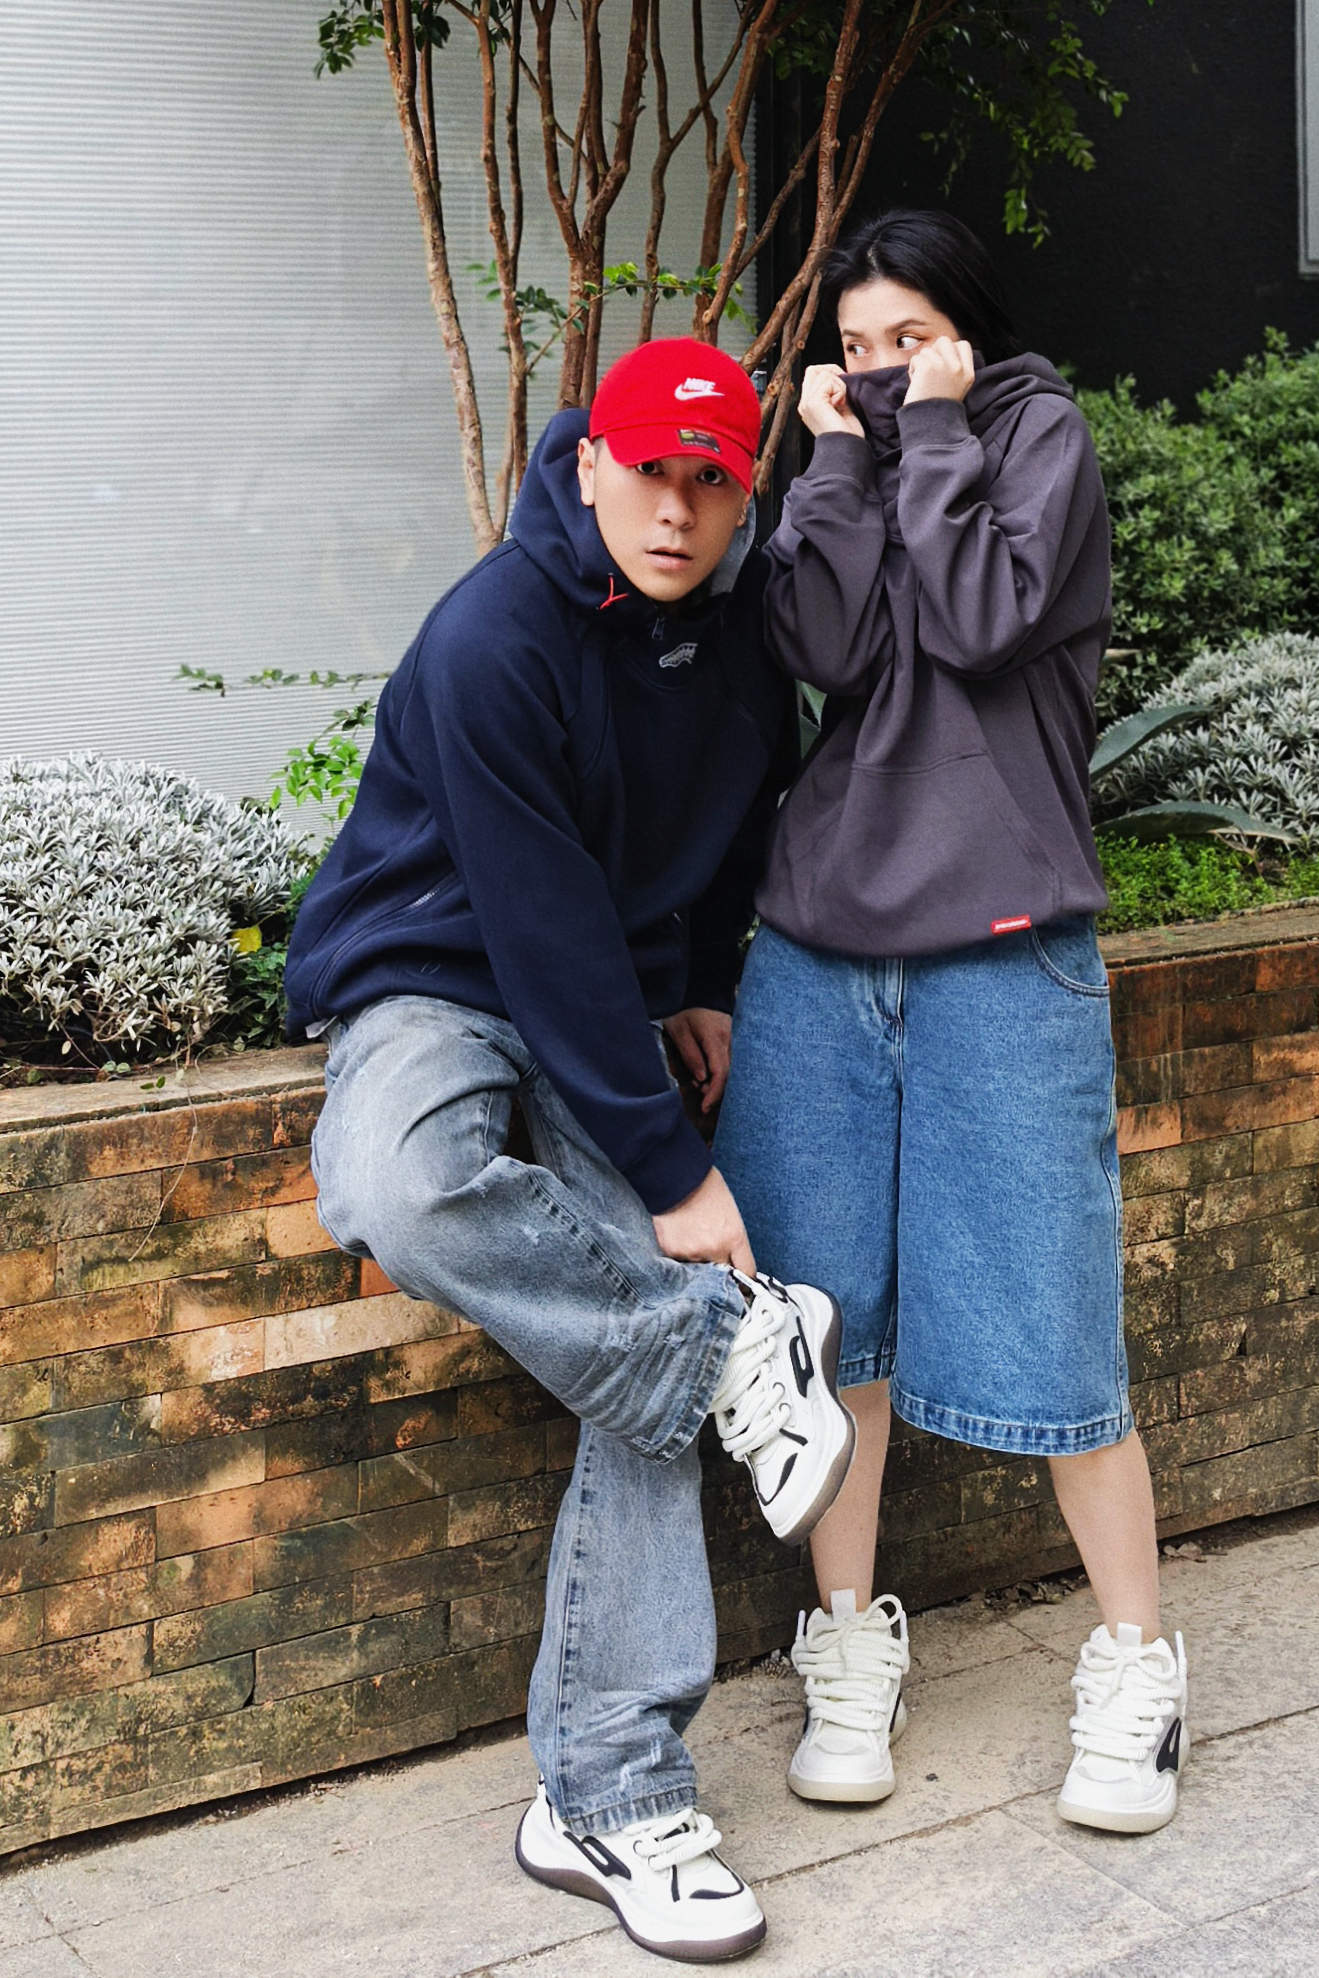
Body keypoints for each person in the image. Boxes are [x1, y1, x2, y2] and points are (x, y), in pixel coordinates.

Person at [284, 337, 858, 1964]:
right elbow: (532, 929)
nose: (675, 511)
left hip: (610, 992)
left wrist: (706, 982)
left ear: (743, 494)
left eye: (709, 482)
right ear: (588, 461)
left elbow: (741, 830)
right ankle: (729, 1353)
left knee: (631, 1311)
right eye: (648, 472)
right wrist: (677, 1177)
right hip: (436, 969)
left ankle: (610, 1794)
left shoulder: (739, 644)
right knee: (396, 1181)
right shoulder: (495, 637)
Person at [714, 210, 1188, 1835]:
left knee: (1057, 1325)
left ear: (969, 333)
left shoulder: (1041, 437)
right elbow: (823, 640)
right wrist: (837, 462)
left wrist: (926, 431)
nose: (877, 367)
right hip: (820, 951)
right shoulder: (864, 443)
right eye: (856, 347)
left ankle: (1138, 1666)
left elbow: (985, 614)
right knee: (825, 1320)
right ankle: (849, 1641)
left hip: (1006, 947)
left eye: (906, 338)